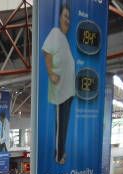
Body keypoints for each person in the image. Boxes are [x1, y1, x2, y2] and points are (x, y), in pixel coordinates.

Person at [42, 2, 75, 165]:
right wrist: (50, 73)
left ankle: (61, 152)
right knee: (60, 125)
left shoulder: (64, 38)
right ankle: (58, 155)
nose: (67, 20)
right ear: (59, 17)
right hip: (60, 92)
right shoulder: (55, 33)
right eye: (65, 16)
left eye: (69, 17)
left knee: (65, 125)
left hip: (68, 92)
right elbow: (46, 52)